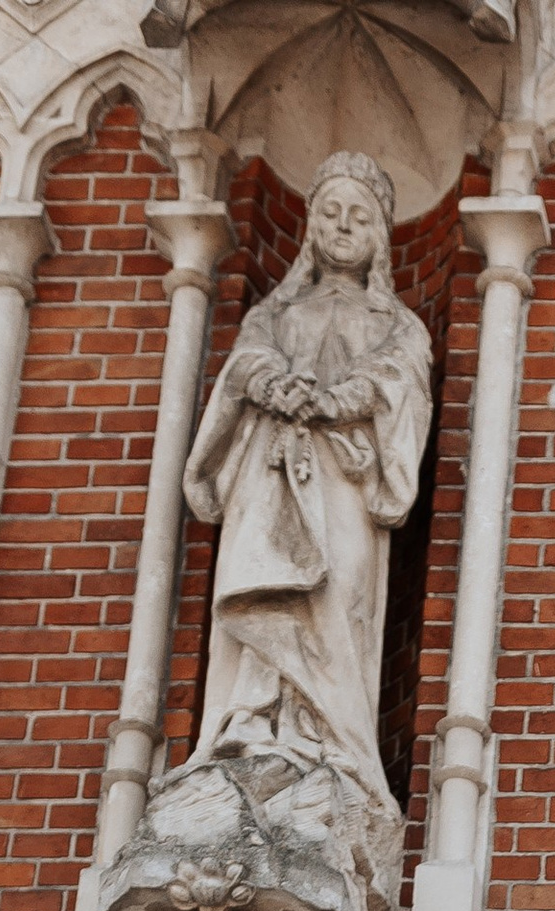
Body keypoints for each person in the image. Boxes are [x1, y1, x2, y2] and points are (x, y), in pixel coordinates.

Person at [179, 148, 434, 810]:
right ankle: (254, 721)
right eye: (330, 212)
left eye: (359, 216)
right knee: (265, 586)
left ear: (380, 235)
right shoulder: (274, 311)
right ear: (309, 225)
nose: (343, 227)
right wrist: (270, 381)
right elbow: (246, 360)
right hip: (270, 469)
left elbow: (400, 380)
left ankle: (326, 736)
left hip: (342, 476)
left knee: (338, 595)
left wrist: (338, 399)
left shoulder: (396, 322)